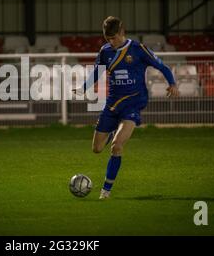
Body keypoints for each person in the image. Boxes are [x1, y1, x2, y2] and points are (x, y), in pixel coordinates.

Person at [75, 16, 179, 199]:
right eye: (107, 39)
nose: (111, 42)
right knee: (97, 149)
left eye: (113, 38)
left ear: (122, 32)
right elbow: (96, 73)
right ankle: (113, 128)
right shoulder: (105, 51)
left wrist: (172, 83)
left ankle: (105, 191)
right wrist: (83, 88)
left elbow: (162, 66)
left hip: (133, 104)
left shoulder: (138, 49)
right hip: (112, 104)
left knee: (116, 146)